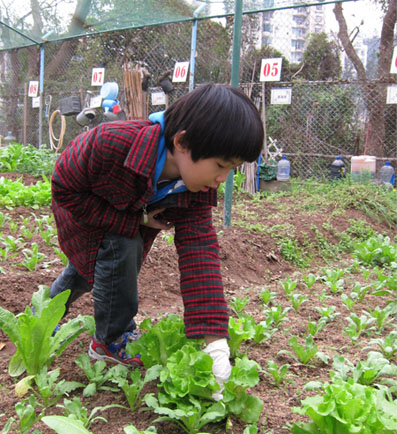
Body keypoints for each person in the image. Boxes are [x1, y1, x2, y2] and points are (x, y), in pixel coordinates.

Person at [49, 83, 264, 397]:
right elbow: (64, 186)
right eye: (220, 166)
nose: (222, 179)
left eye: (231, 170)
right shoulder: (112, 142)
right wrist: (132, 220)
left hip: (126, 216)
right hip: (83, 211)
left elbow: (199, 253)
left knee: (88, 271)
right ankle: (111, 340)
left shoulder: (197, 188)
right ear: (183, 142)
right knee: (121, 246)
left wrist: (215, 344)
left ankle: (44, 314)